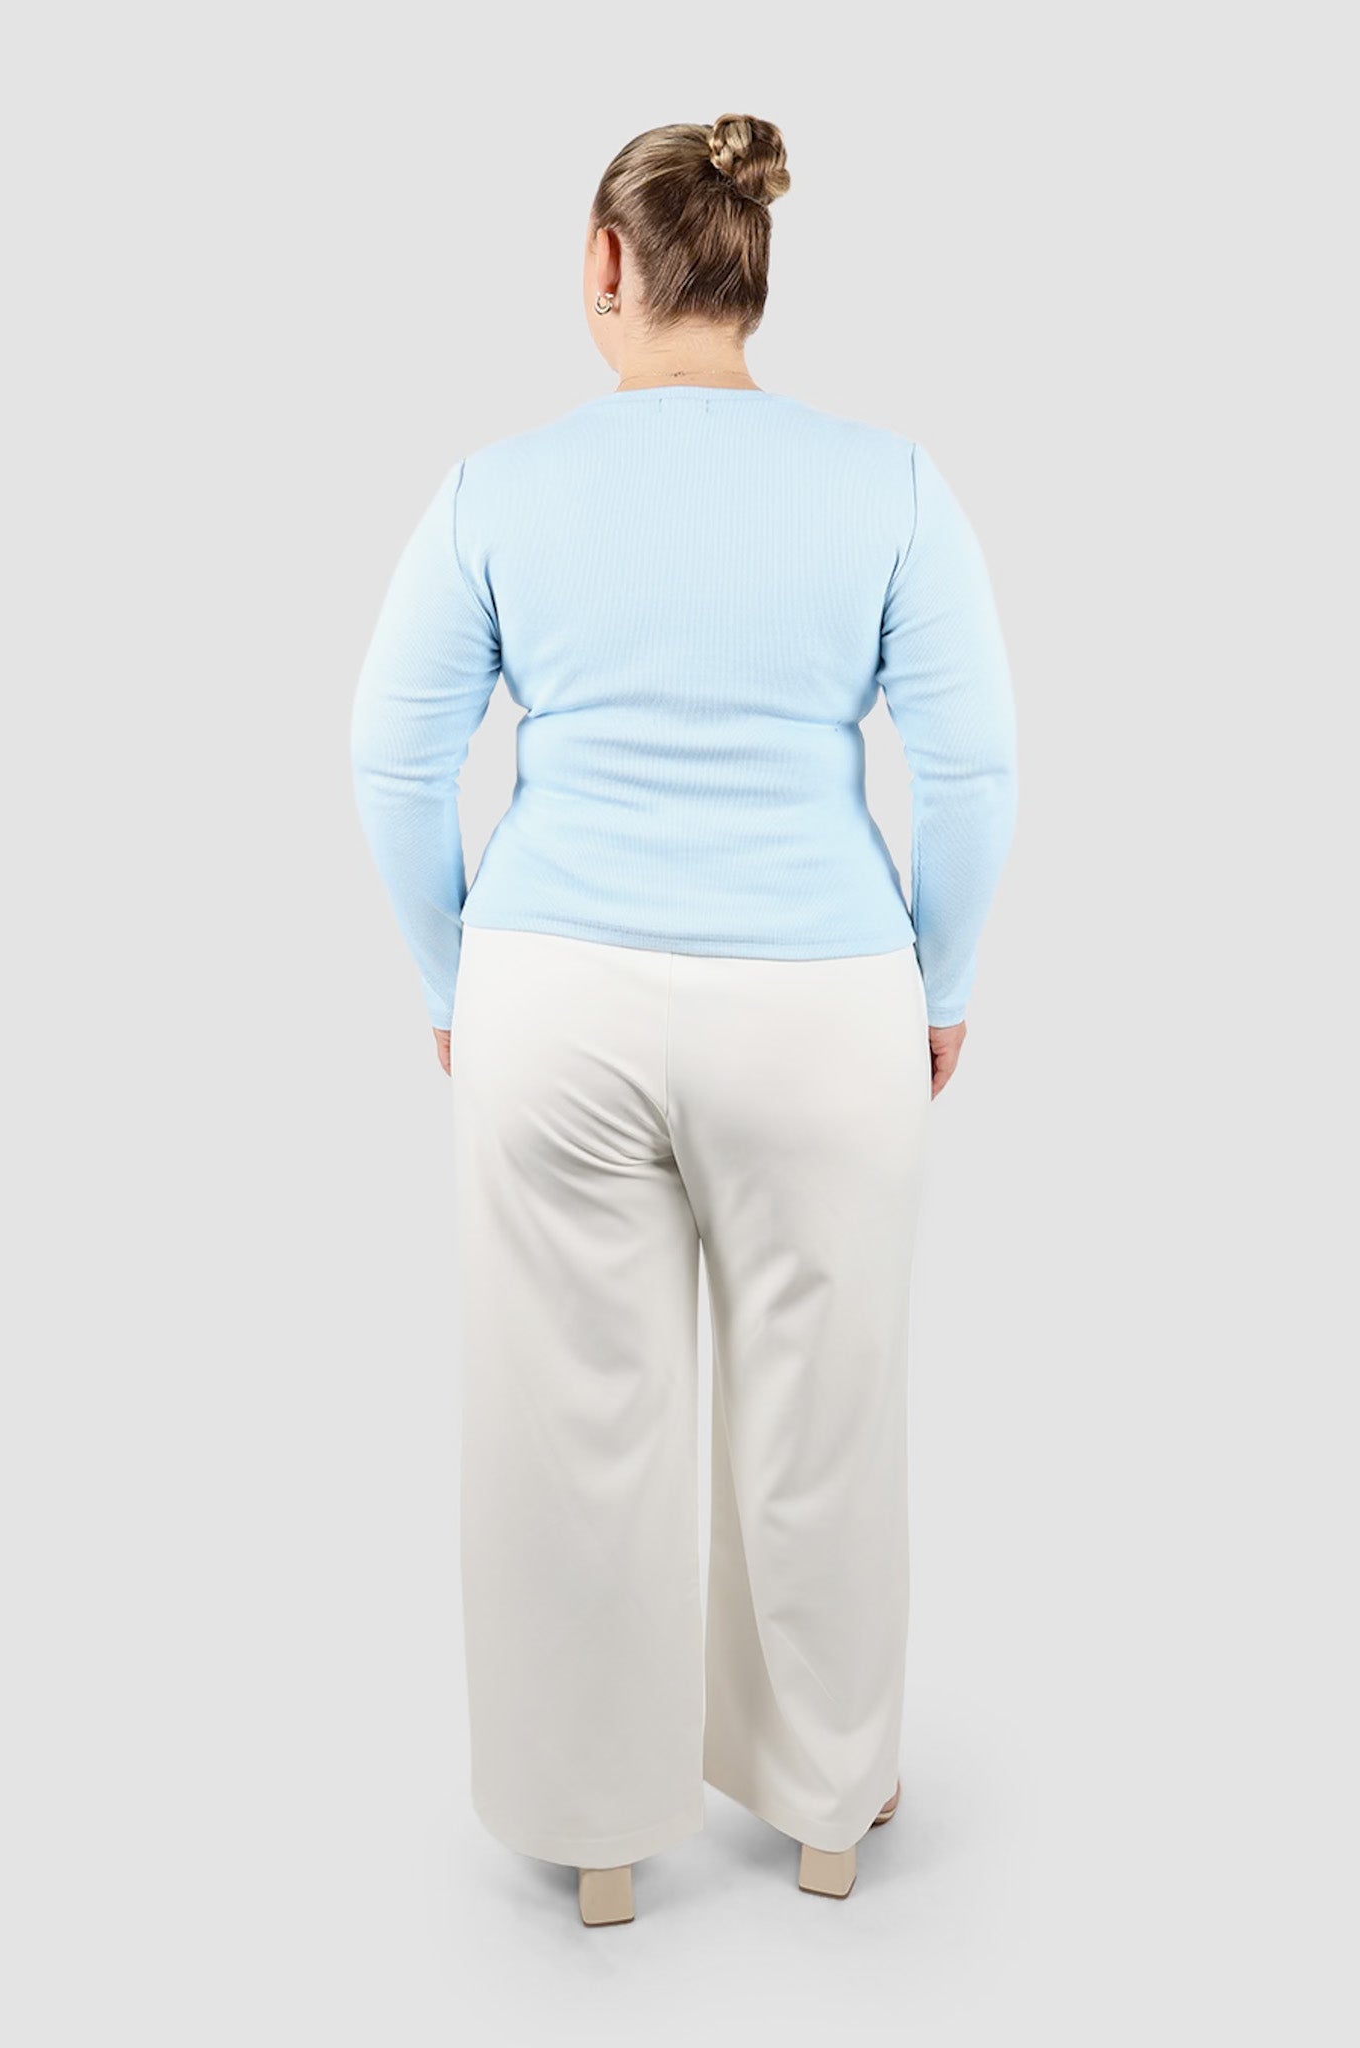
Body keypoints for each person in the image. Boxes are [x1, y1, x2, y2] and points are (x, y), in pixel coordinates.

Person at [350, 114, 1017, 1926]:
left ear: (604, 266)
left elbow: (392, 760)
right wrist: (942, 981)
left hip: (554, 997)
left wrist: (452, 977)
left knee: (573, 1418)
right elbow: (970, 768)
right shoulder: (889, 483)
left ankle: (595, 1842)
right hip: (823, 1003)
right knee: (826, 1409)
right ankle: (825, 1804)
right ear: (753, 271)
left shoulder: (493, 489)